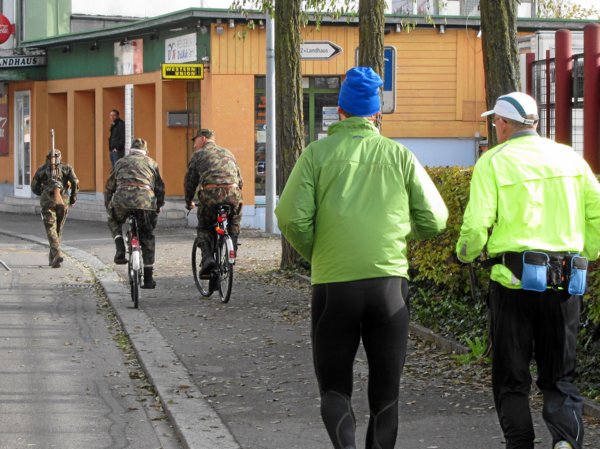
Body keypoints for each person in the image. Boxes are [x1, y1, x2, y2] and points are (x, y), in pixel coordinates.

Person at [275, 66, 448, 449]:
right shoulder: (399, 155)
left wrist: (318, 250)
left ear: (339, 111)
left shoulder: (316, 155)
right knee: (386, 394)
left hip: (334, 285)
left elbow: (290, 217)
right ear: (376, 114)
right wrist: (398, 236)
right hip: (389, 286)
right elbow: (435, 219)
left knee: (334, 389)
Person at [456, 92, 600, 449]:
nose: (496, 127)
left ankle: (519, 444)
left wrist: (464, 254)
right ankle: (566, 442)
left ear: (504, 123)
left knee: (511, 378)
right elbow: (596, 213)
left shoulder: (493, 162)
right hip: (565, 282)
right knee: (560, 377)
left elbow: (476, 226)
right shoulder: (571, 158)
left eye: (496, 121)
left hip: (513, 284)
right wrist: (586, 252)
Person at [104, 138, 165, 289]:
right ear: (145, 151)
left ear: (131, 150)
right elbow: (160, 188)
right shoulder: (152, 163)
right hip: (145, 202)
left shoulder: (120, 162)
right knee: (147, 236)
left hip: (122, 200)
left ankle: (120, 247)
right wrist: (158, 205)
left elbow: (109, 186)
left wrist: (109, 205)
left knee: (113, 219)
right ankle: (148, 279)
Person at [184, 128, 243, 274]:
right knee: (234, 221)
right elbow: (240, 180)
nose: (194, 145)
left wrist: (189, 201)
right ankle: (232, 250)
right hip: (233, 193)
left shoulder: (198, 155)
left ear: (203, 139)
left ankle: (207, 259)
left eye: (195, 140)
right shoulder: (228, 153)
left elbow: (190, 182)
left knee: (205, 227)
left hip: (211, 195)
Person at [31, 148, 79, 268]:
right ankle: (53, 258)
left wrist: (43, 192)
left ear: (47, 158)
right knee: (57, 229)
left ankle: (56, 254)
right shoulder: (67, 168)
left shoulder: (41, 170)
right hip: (63, 202)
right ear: (60, 157)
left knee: (51, 229)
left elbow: (34, 187)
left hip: (48, 202)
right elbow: (75, 182)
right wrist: (73, 197)